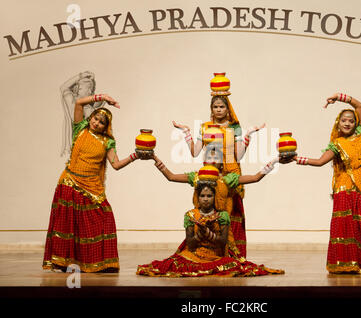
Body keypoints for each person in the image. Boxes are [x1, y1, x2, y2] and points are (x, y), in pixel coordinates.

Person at [289, 92, 361, 275]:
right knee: (351, 227)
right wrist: (297, 159)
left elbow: (359, 105)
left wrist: (339, 96)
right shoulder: (337, 144)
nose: (348, 123)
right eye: (344, 120)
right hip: (347, 189)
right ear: (338, 123)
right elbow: (319, 162)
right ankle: (349, 264)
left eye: (351, 120)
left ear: (356, 123)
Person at [43, 94, 140, 273]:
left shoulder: (107, 141)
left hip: (92, 187)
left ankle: (101, 263)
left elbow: (116, 164)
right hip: (70, 183)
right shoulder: (80, 129)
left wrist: (136, 156)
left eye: (101, 122)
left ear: (106, 127)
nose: (96, 123)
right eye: (95, 118)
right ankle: (61, 262)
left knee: (105, 218)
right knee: (67, 225)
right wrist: (102, 97)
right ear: (91, 118)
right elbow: (79, 102)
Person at [173, 85, 265, 257]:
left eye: (222, 106)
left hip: (229, 178)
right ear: (211, 109)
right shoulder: (205, 127)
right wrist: (186, 132)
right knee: (207, 214)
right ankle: (206, 254)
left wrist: (249, 135)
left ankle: (230, 255)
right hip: (209, 178)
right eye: (215, 107)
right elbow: (195, 152)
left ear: (227, 108)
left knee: (225, 217)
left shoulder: (234, 127)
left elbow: (238, 155)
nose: (219, 109)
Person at [150, 143, 278, 258]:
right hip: (197, 222)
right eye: (208, 158)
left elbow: (255, 178)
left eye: (215, 158)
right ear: (204, 161)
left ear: (222, 162)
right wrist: (154, 158)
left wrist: (274, 162)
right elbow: (171, 176)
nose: (211, 161)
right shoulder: (197, 177)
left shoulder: (227, 179)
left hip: (219, 225)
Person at [136, 183, 284, 277]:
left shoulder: (222, 215)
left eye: (209, 195)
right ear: (197, 197)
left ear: (214, 197)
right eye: (202, 196)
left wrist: (208, 232)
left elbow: (222, 243)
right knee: (174, 265)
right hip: (194, 255)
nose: (205, 199)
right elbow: (191, 244)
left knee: (232, 265)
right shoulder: (190, 215)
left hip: (215, 255)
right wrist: (200, 233)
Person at [60, 71, 105, 156]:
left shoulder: (91, 107)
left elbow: (102, 100)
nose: (90, 92)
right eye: (87, 88)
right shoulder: (73, 102)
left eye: (80, 88)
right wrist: (81, 76)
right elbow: (63, 88)